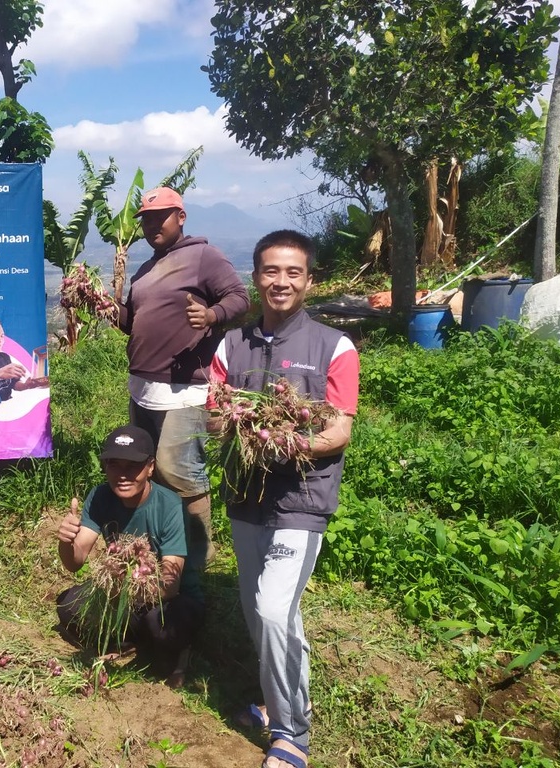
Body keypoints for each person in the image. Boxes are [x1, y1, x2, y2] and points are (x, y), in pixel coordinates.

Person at [210, 230, 359, 768]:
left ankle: (292, 734)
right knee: (262, 613)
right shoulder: (231, 345)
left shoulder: (334, 346)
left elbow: (338, 430)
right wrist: (240, 426)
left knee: (274, 610)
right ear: (256, 278)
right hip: (247, 497)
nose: (281, 281)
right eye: (271, 271)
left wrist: (285, 441)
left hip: (301, 498)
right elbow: (215, 412)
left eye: (293, 272)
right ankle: (284, 701)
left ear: (309, 281)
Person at [118, 187, 249, 564]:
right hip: (143, 388)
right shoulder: (145, 270)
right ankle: (164, 543)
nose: (153, 225)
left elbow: (238, 297)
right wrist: (110, 310)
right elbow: (134, 323)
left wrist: (210, 316)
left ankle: (198, 554)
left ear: (181, 216)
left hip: (185, 389)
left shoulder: (203, 256)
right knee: (150, 467)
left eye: (161, 216)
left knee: (179, 470)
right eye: (147, 219)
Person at [55, 425, 204, 688]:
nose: (122, 475)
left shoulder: (170, 505)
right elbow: (75, 562)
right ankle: (129, 641)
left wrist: (124, 589)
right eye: (114, 465)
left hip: (168, 600)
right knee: (68, 606)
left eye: (132, 466)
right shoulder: (100, 496)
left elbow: (170, 585)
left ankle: (174, 648)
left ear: (150, 467)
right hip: (123, 595)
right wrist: (66, 541)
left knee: (158, 624)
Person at [0, 317, 48, 401]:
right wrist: (0, 373)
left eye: (2, 336)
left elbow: (14, 384)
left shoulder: (5, 357)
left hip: (7, 407)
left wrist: (26, 385)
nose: (0, 340)